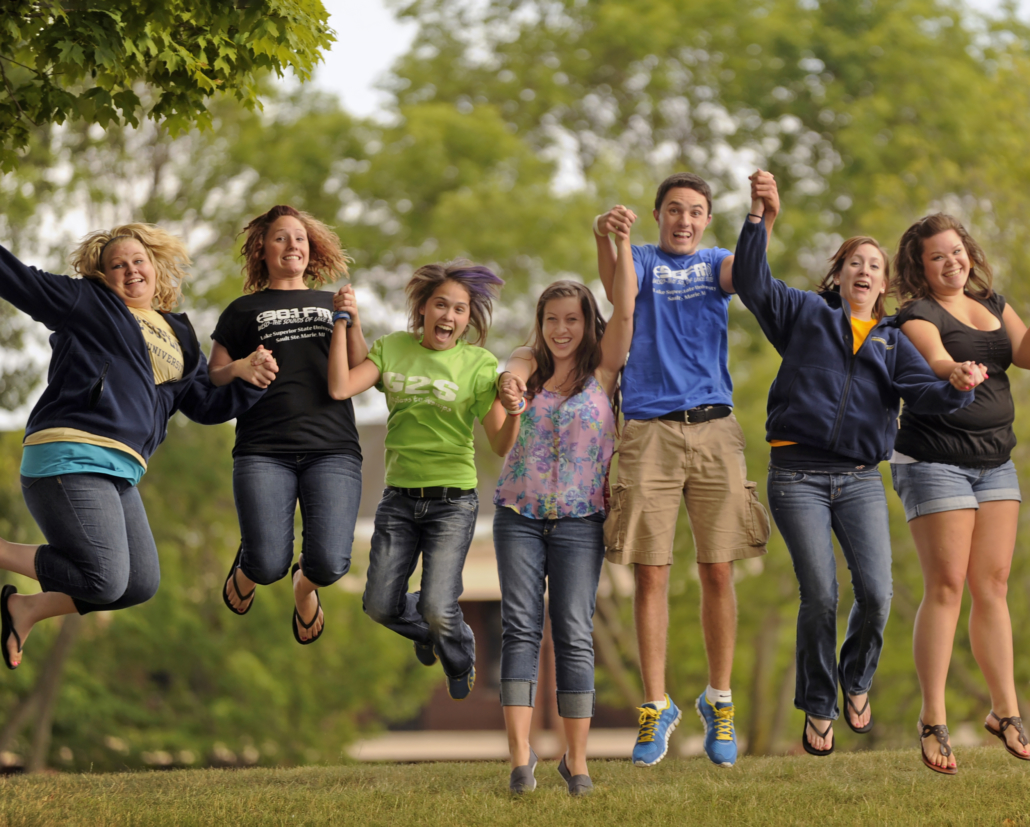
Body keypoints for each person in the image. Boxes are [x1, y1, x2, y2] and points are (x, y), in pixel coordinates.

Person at [733, 188, 978, 756]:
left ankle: (857, 679)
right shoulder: (803, 315)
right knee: (820, 593)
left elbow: (929, 394)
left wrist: (959, 387)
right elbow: (751, 282)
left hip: (862, 478)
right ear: (838, 276)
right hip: (797, 476)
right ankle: (819, 704)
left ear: (884, 284)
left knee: (877, 593)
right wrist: (758, 220)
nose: (864, 271)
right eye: (854, 263)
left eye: (874, 265)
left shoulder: (893, 343)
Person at [0, 224, 271, 669]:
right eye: (118, 265)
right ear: (103, 276)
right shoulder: (86, 303)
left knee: (138, 583)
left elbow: (204, 403)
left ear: (155, 268)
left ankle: (25, 609)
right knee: (105, 579)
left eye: (138, 261)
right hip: (71, 450)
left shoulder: (180, 335)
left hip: (122, 469)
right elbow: (19, 280)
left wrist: (250, 381)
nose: (130, 271)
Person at [592, 171, 775, 768]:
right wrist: (609, 237)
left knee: (718, 569)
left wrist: (761, 218)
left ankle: (718, 701)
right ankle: (655, 706)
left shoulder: (719, 259)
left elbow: (749, 279)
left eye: (695, 211)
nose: (685, 220)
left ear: (707, 219)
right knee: (651, 572)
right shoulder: (641, 258)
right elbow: (620, 297)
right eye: (674, 210)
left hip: (716, 429)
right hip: (649, 431)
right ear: (657, 215)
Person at [327, 259, 518, 700]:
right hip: (398, 500)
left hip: (453, 501)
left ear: (468, 320)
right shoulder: (393, 348)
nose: (448, 316)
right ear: (423, 309)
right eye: (440, 305)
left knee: (438, 605)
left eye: (459, 310)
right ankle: (429, 631)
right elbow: (341, 386)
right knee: (378, 606)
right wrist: (343, 322)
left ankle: (458, 655)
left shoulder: (479, 364)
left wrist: (516, 412)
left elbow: (501, 443)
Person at [491, 229, 635, 794]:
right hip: (517, 516)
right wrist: (511, 380)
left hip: (580, 522)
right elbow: (515, 368)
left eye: (572, 318)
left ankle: (577, 762)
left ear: (588, 322)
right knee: (519, 629)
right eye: (551, 318)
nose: (561, 329)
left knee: (574, 631)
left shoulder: (605, 374)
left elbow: (626, 307)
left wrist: (619, 244)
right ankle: (520, 759)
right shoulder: (526, 365)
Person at [890, 213, 1030, 773]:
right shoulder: (917, 314)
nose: (951, 262)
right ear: (920, 267)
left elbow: (1023, 354)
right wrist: (959, 372)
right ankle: (933, 719)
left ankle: (1007, 711)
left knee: (991, 585)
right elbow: (938, 360)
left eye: (956, 252)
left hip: (996, 461)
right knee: (947, 587)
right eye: (937, 257)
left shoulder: (994, 303)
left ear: (968, 252)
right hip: (933, 460)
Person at [212, 205, 365, 644]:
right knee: (264, 565)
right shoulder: (242, 310)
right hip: (263, 448)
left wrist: (351, 319)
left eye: (298, 237)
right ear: (262, 249)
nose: (291, 245)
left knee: (331, 564)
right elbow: (215, 374)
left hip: (332, 447)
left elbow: (357, 367)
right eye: (280, 237)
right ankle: (248, 568)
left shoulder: (329, 301)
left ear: (310, 248)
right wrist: (242, 366)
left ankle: (304, 588)